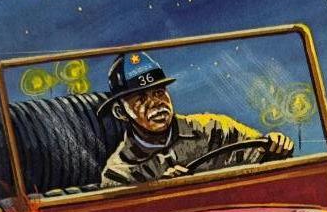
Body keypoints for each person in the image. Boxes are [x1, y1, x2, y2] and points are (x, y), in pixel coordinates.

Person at [97, 51, 294, 187]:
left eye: (159, 92)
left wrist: (275, 147)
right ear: (121, 112)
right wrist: (162, 192)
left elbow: (260, 156)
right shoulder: (119, 174)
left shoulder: (215, 129)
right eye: (140, 98)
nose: (156, 103)